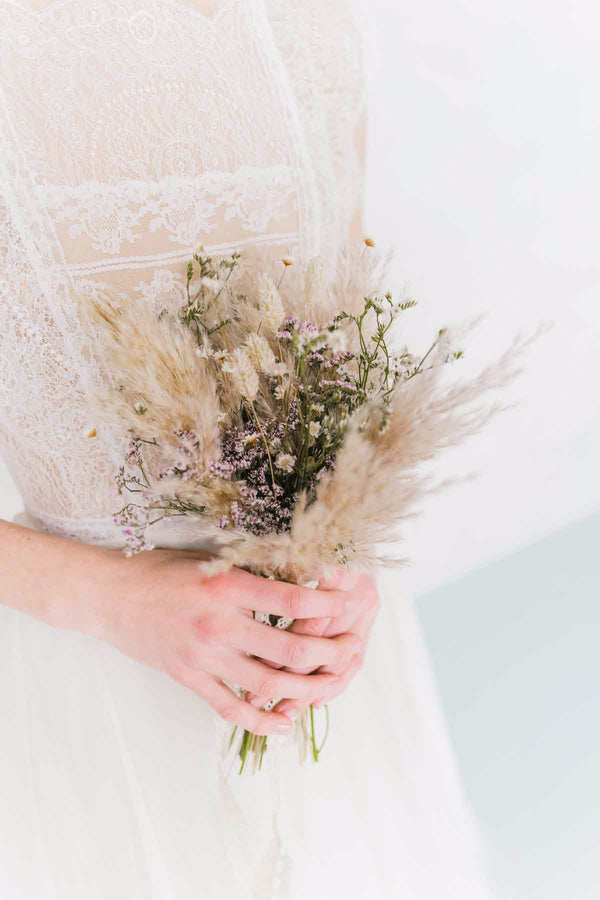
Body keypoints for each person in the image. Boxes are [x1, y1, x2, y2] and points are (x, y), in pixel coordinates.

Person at [0, 1, 494, 896]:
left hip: (325, 670)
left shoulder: (313, 26)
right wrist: (110, 600)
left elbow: (332, 346)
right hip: (92, 694)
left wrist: (342, 553)